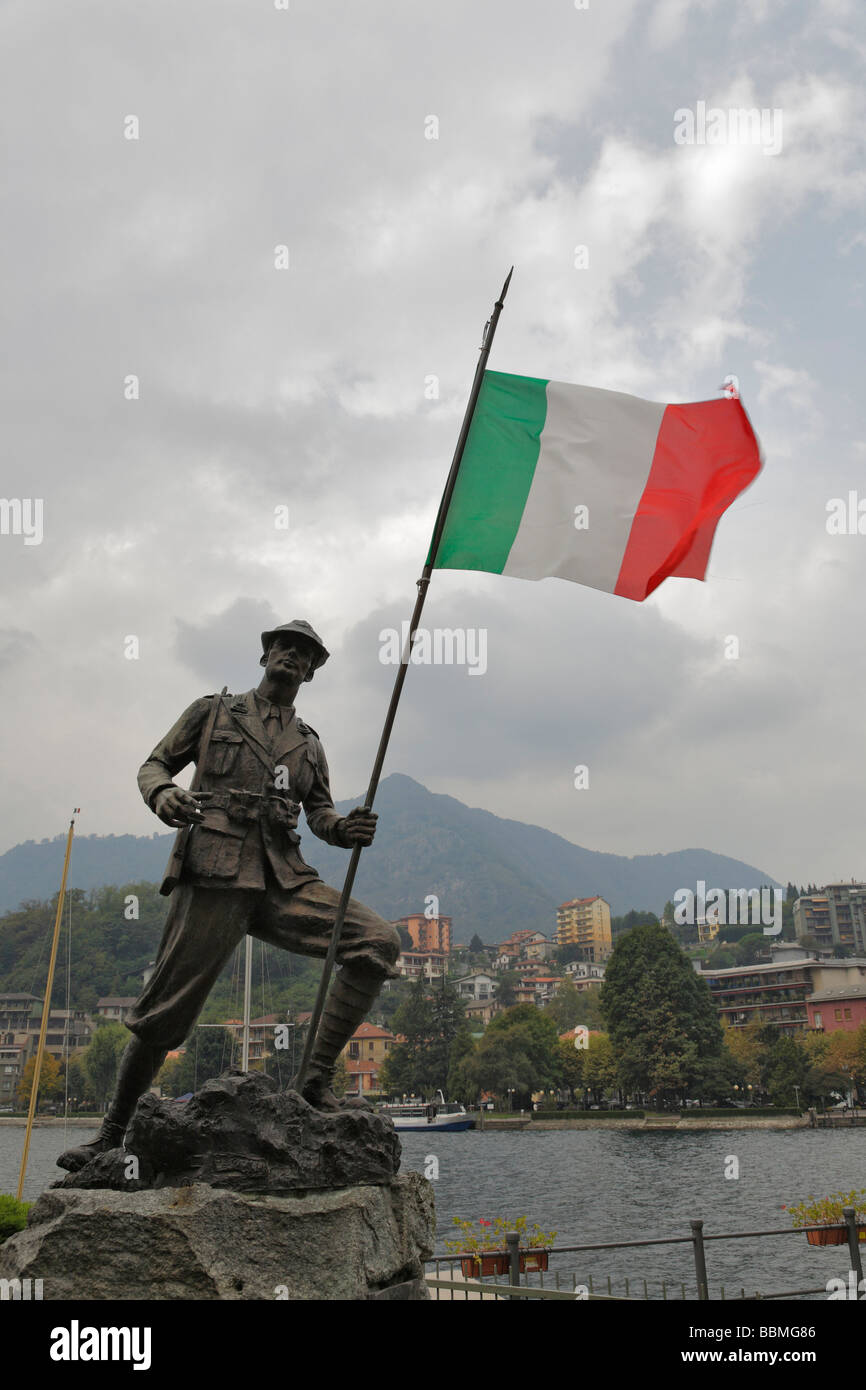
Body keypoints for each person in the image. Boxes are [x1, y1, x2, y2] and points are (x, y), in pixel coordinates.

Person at [58, 620, 400, 1172]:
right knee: (164, 1012)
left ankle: (315, 1082)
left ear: (312, 670)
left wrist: (344, 828)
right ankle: (110, 1136)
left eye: (304, 652)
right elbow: (154, 764)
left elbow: (319, 812)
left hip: (282, 876)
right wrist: (163, 792)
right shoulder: (213, 710)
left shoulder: (309, 745)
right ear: (266, 654)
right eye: (284, 646)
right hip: (216, 870)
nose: (292, 655)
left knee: (378, 942)